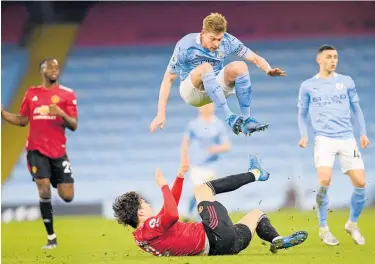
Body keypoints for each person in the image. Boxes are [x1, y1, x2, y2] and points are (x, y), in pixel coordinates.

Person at [113, 154, 308, 256]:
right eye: (145, 203)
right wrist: (163, 185)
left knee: (256, 214)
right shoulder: (150, 226)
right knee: (203, 189)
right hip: (213, 234)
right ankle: (256, 173)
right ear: (140, 211)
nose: (148, 205)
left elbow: (168, 209)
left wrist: (180, 176)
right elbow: (171, 214)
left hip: (222, 248)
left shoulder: (141, 237)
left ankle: (276, 239)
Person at [149, 12, 286, 136]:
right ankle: (229, 118)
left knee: (240, 66)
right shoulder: (186, 46)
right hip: (192, 92)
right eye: (212, 39)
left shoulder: (228, 41)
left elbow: (254, 58)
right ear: (202, 33)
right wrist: (161, 114)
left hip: (215, 87)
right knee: (205, 67)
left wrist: (268, 69)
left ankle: (246, 120)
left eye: (219, 39)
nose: (216, 44)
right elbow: (168, 78)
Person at [1, 58, 78, 249]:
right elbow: (22, 120)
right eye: (50, 66)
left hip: (59, 152)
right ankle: (51, 237)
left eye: (56, 67)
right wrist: (3, 113)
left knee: (67, 196)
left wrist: (60, 112)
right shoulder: (31, 93)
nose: (54, 69)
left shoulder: (67, 94)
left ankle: (53, 178)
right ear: (41, 70)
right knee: (43, 187)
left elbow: (74, 125)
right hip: (36, 150)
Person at [297, 45, 370, 246]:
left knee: (361, 183)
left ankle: (352, 224)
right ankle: (323, 228)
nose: (333, 60)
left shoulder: (346, 82)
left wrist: (363, 132)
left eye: (336, 57)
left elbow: (357, 108)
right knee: (324, 180)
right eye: (329, 57)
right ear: (319, 60)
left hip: (347, 138)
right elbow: (302, 114)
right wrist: (304, 135)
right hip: (324, 139)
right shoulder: (308, 85)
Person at [181, 103, 231, 221]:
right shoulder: (193, 124)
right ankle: (196, 217)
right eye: (204, 106)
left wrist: (216, 148)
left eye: (209, 106)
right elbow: (186, 142)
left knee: (205, 193)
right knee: (198, 191)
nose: (206, 108)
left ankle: (199, 219)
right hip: (197, 165)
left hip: (211, 165)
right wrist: (184, 158)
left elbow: (227, 145)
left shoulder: (218, 125)